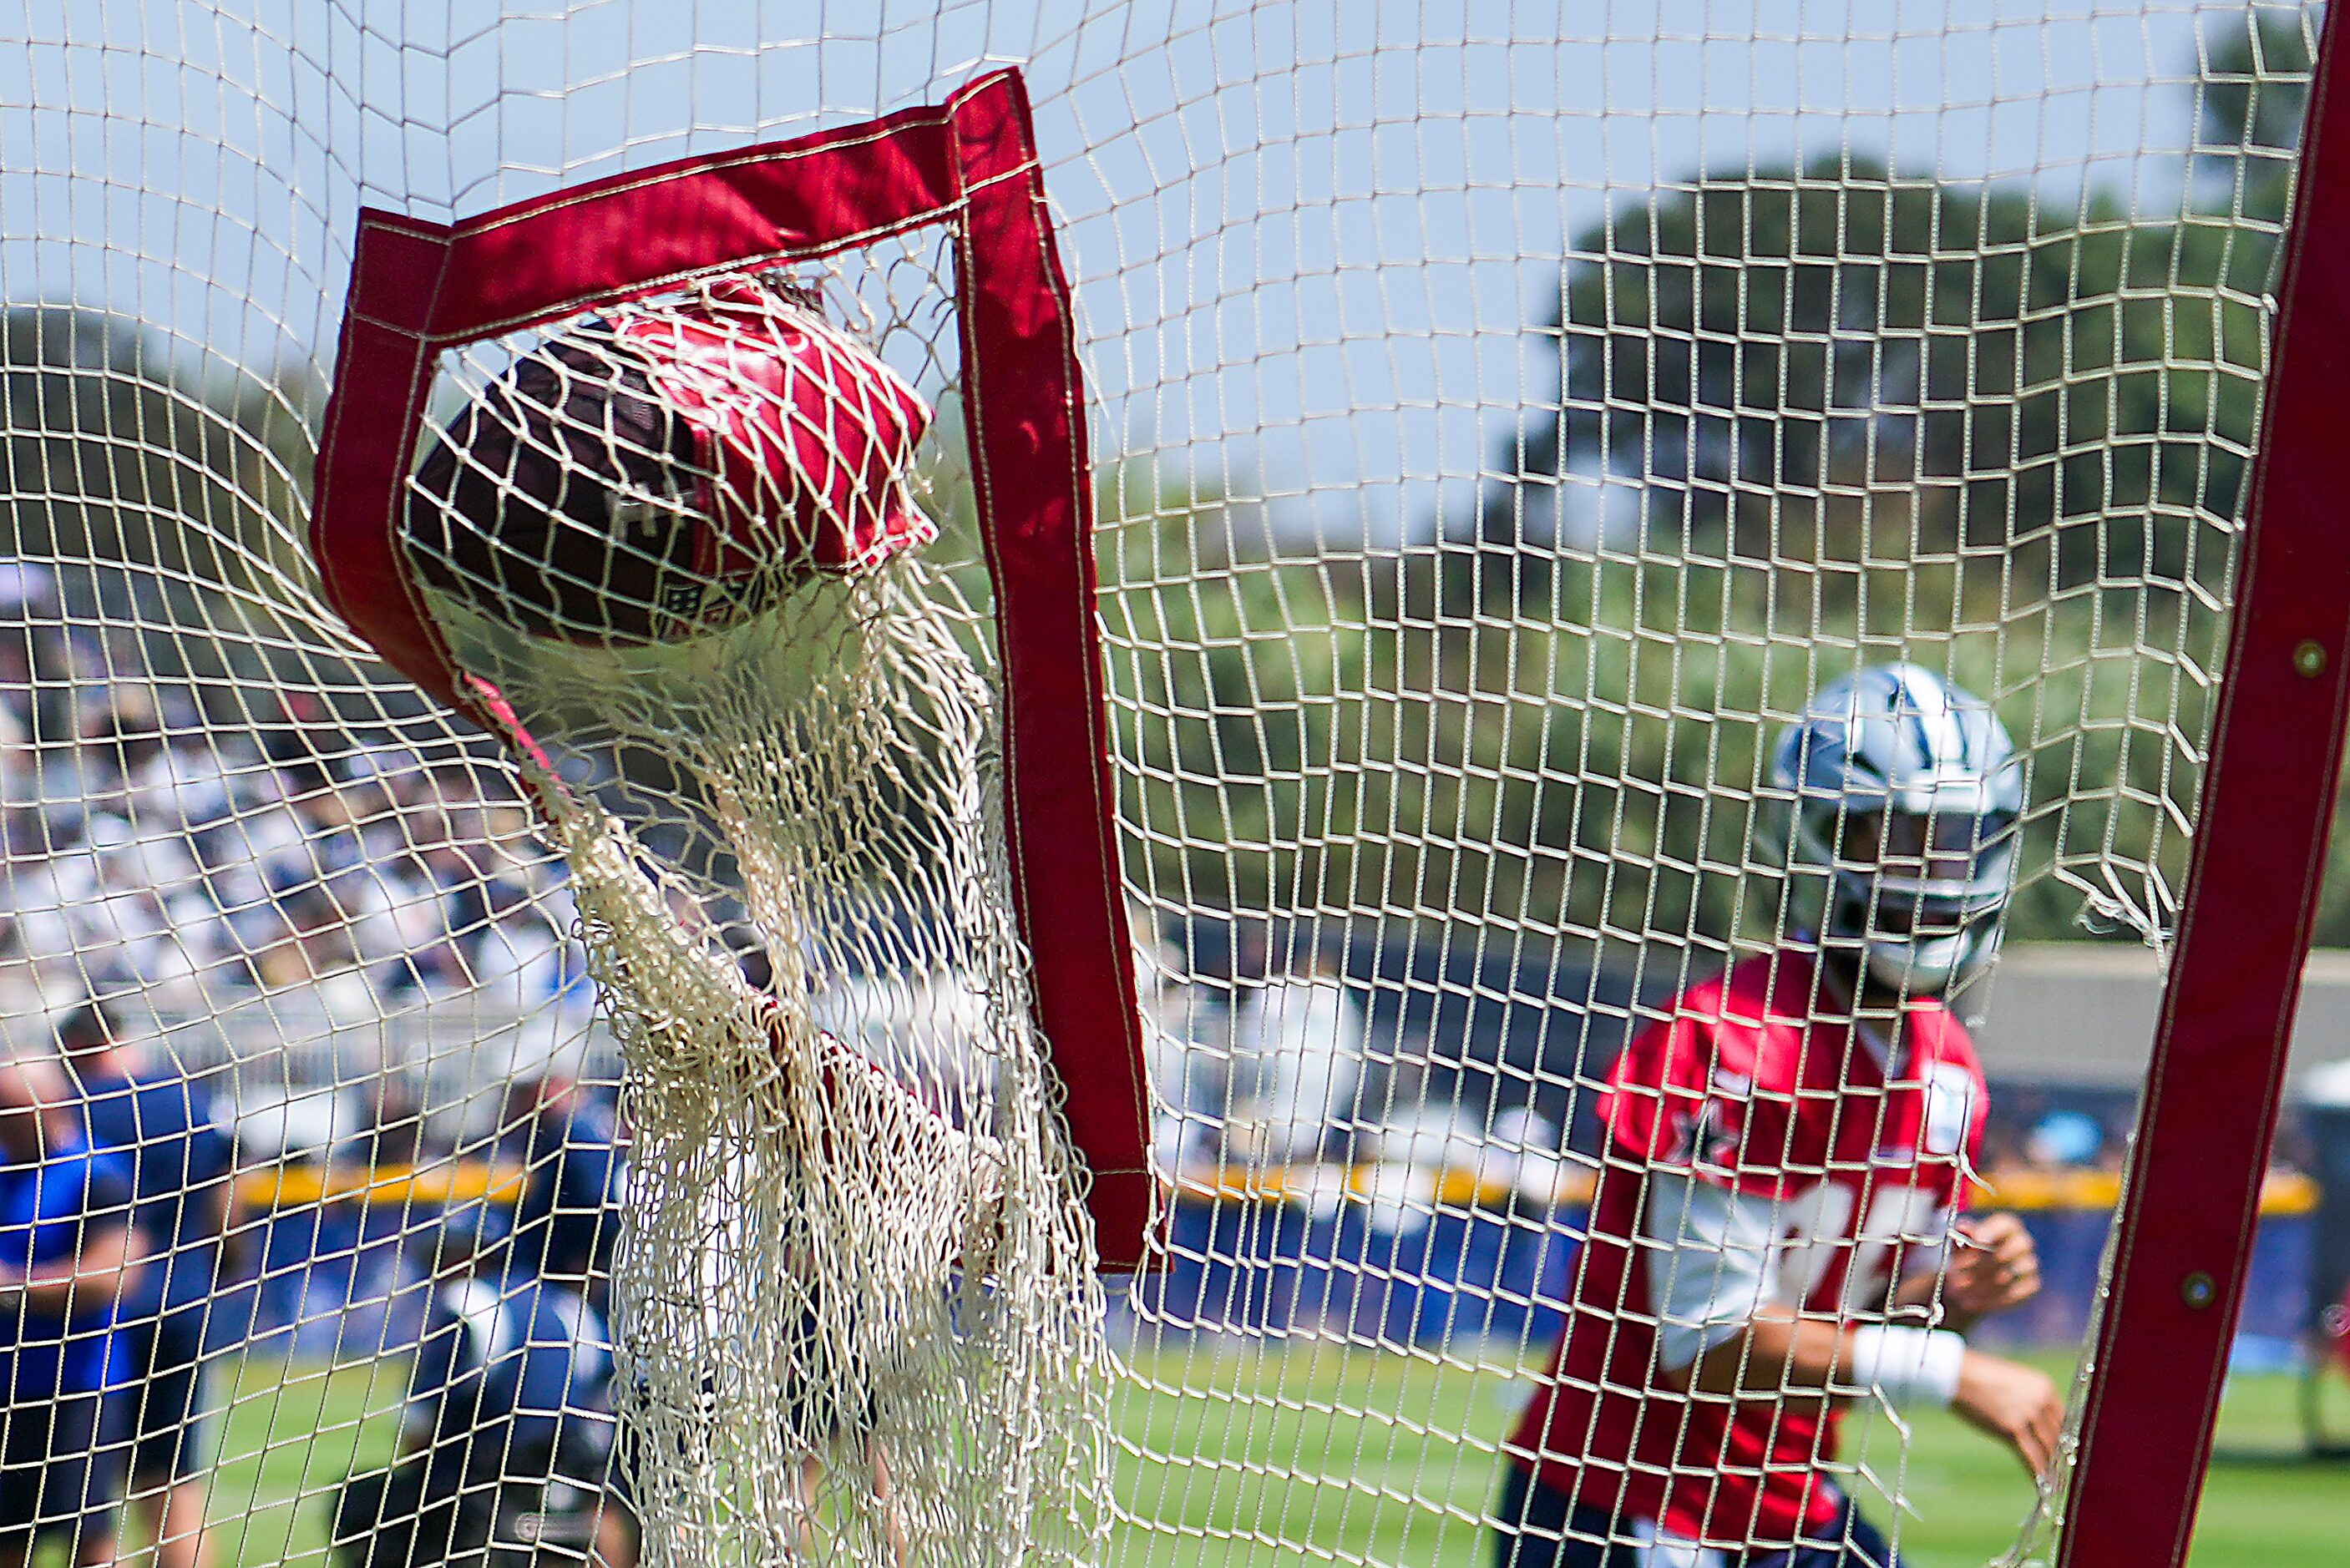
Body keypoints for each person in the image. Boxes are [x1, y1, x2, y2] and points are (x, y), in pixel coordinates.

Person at [1494, 663, 2062, 1568]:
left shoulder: (1949, 1070)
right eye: (1901, 838)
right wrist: (1948, 1370)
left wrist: (1947, 1305)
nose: (1937, 869)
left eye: (1957, 839)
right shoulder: (1733, 1043)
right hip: (1628, 1503)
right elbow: (1710, 1344)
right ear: (1823, 838)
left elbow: (1843, 1325)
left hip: (1785, 1505)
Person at [334, 1200, 636, 1568]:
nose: (438, 1269)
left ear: (474, 1255)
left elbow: (418, 1431)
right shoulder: (569, 1309)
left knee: (357, 1503)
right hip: (567, 1499)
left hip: (478, 1510)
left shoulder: (468, 1305)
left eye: (446, 1255)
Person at [58, 999, 235, 1568]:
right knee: (172, 1473)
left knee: (89, 1485)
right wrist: (221, 1263)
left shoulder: (78, 1106)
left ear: (80, 1043)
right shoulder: (192, 1100)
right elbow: (227, 1202)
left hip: (98, 1309)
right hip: (181, 1298)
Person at [0, 1051, 144, 1568]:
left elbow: (114, 1276)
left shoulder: (98, 1174)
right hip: (7, 1385)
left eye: (9, 1113)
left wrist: (15, 1287)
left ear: (49, 1108)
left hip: (78, 1384)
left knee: (88, 1536)